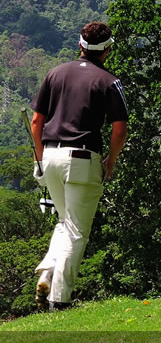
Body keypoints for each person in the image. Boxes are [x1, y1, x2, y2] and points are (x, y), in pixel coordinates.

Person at [30, 21, 128, 311]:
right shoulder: (109, 81)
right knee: (76, 231)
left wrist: (38, 159)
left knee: (65, 221)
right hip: (82, 160)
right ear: (107, 50)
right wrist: (111, 161)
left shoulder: (55, 72)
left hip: (49, 156)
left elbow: (37, 121)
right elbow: (119, 129)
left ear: (80, 46)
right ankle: (59, 300)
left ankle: (47, 273)